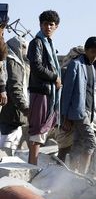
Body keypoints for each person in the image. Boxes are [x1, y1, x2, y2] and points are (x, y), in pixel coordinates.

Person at [60, 37, 96, 174]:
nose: (95, 55)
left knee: (78, 145)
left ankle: (72, 175)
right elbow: (67, 92)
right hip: (79, 112)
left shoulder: (91, 67)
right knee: (91, 142)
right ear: (86, 50)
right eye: (92, 51)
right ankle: (82, 174)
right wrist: (65, 117)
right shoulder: (76, 64)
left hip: (88, 114)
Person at [27, 10, 62, 165]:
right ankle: (32, 166)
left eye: (51, 24)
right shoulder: (37, 43)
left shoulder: (49, 44)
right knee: (37, 132)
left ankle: (33, 166)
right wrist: (55, 77)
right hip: (40, 91)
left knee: (41, 132)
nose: (48, 27)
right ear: (40, 25)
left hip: (48, 93)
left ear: (56, 27)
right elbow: (36, 66)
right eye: (45, 24)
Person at [0, 37, 29, 155]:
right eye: (23, 48)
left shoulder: (13, 61)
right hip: (11, 112)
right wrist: (24, 107)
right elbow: (15, 87)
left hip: (10, 111)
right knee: (7, 144)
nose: (25, 52)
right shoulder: (13, 62)